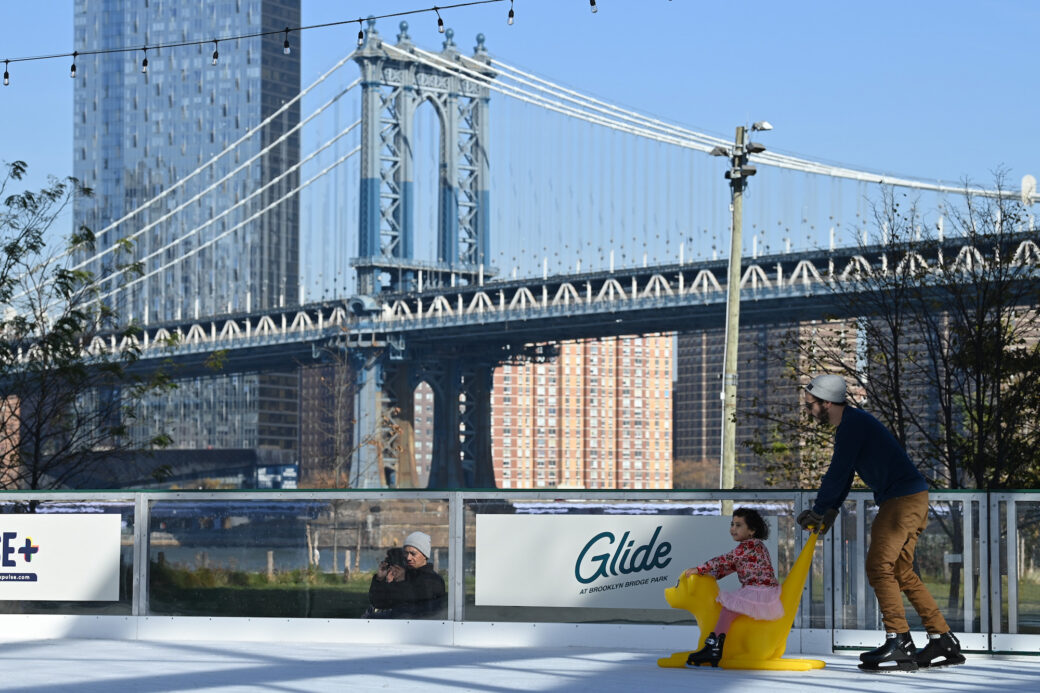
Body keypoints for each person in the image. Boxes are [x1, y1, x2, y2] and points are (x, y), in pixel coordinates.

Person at [797, 373, 965, 671]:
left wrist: (820, 509)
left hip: (900, 501)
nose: (808, 411)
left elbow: (837, 471)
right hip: (911, 497)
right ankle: (942, 638)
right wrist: (831, 508)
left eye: (810, 405)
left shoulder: (852, 425)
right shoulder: (854, 423)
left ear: (826, 403)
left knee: (879, 567)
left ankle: (898, 640)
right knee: (901, 570)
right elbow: (846, 475)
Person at [681, 508, 783, 667]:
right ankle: (714, 647)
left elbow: (726, 559)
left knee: (728, 609)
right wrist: (711, 575)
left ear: (752, 530)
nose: (733, 529)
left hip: (759, 590)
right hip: (759, 588)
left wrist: (700, 569)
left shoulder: (750, 545)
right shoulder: (749, 548)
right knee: (728, 610)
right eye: (732, 524)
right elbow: (731, 566)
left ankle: (714, 648)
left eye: (738, 525)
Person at [366, 531, 446, 619]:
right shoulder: (408, 576)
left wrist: (400, 581)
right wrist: (379, 579)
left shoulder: (433, 580)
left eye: (413, 554)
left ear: (425, 555)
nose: (408, 558)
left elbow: (408, 600)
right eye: (406, 553)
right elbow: (378, 602)